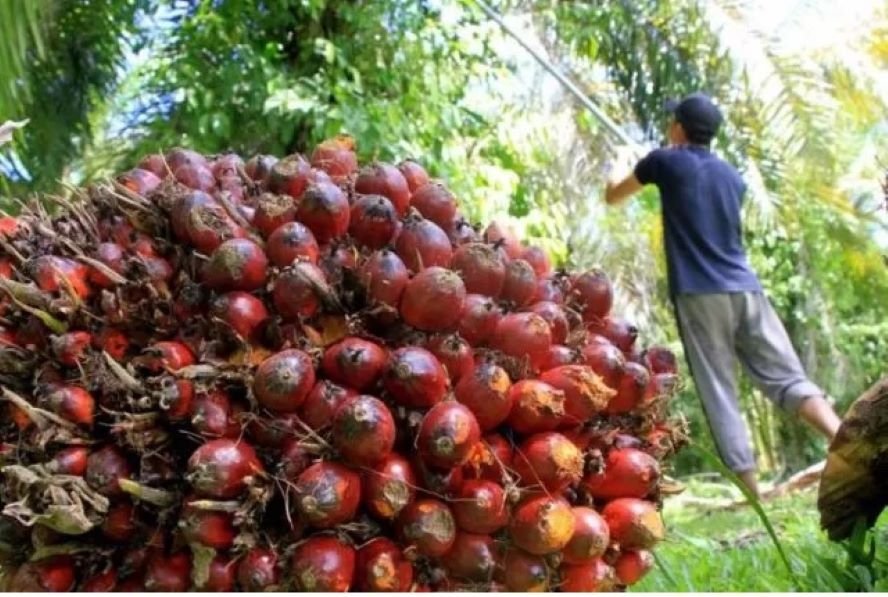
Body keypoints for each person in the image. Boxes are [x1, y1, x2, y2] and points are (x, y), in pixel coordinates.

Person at [603, 92, 841, 496]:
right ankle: (844, 438)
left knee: (719, 387)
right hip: (746, 289)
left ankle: (753, 494)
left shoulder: (663, 160)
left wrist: (621, 162)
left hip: (700, 293)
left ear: (677, 127)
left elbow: (614, 195)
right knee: (787, 376)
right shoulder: (733, 177)